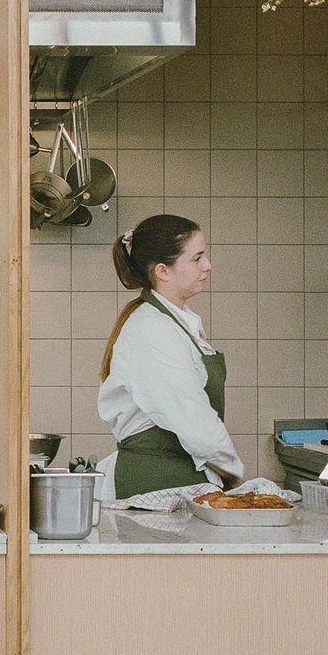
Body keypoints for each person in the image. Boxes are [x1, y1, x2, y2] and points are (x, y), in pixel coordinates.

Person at [95, 213, 244, 498]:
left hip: (180, 480)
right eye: (197, 258)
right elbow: (194, 421)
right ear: (163, 271)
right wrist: (234, 474)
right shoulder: (154, 329)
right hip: (156, 487)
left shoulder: (176, 322)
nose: (208, 266)